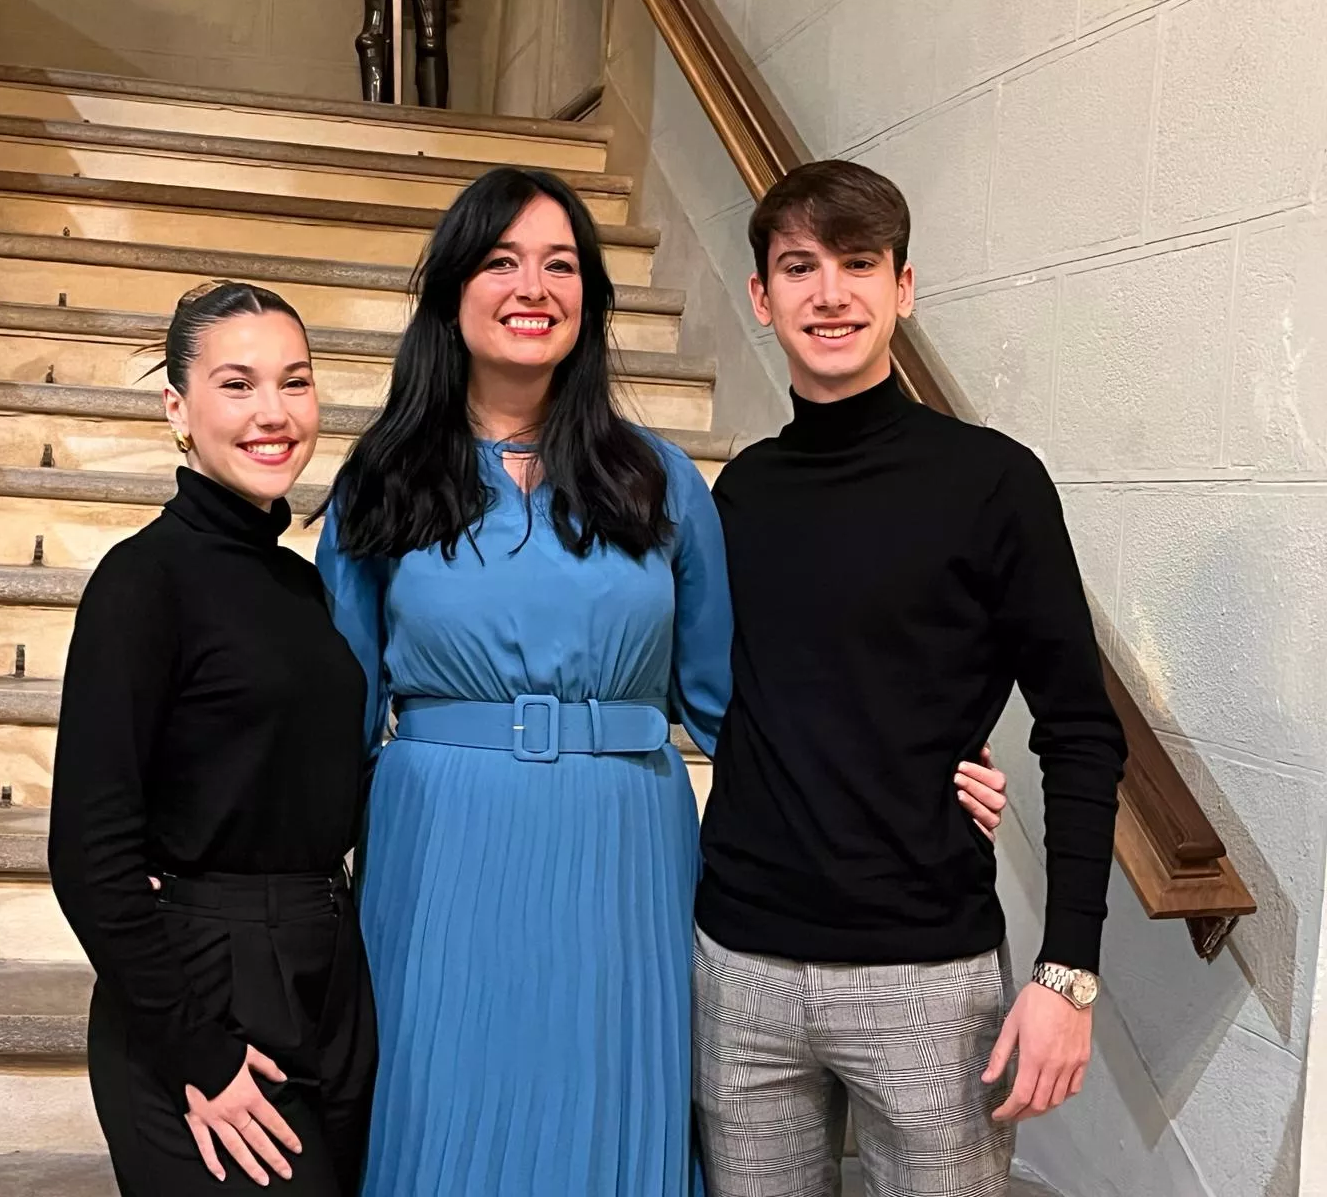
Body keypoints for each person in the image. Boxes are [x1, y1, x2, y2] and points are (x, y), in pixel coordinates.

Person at [311, 167, 1010, 1197]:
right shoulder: (380, 481)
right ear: (452, 292)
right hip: (441, 845)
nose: (532, 287)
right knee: (443, 1116)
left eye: (560, 265)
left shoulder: (659, 480)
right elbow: (329, 717)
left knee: (610, 1118)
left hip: (624, 850)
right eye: (501, 261)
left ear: (590, 299)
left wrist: (909, 766)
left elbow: (738, 703)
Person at [693, 160, 1128, 1197]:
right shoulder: (741, 493)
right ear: (761, 296)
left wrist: (1068, 971)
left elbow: (1080, 728)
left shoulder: (993, 483)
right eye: (799, 266)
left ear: (903, 287)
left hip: (925, 977)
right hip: (740, 965)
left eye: (858, 263)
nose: (829, 293)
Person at [49, 282, 377, 1197]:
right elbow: (88, 855)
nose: (274, 413)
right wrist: (196, 1049)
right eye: (237, 385)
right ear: (177, 409)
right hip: (203, 996)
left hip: (327, 975)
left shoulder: (301, 587)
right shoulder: (141, 583)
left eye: (295, 382)